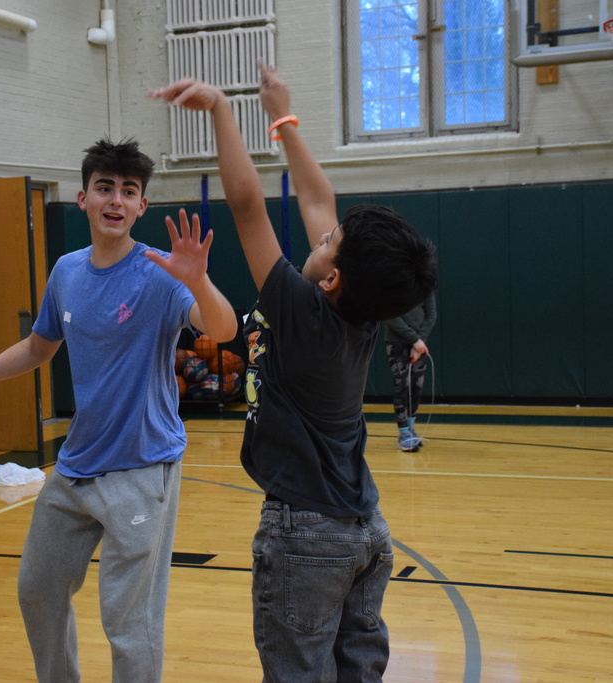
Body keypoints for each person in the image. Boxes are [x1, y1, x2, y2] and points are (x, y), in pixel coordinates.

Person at [0, 137, 237, 683]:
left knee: (129, 619)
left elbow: (222, 330)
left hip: (141, 465)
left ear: (142, 206)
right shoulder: (67, 272)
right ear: (83, 198)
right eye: (105, 188)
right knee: (38, 589)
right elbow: (37, 348)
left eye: (129, 191)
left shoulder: (159, 273)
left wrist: (196, 277)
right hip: (76, 467)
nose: (116, 200)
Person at [149, 64, 438, 682]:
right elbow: (316, 200)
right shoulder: (357, 315)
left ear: (331, 278)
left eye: (329, 241)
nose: (322, 233)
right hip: (364, 528)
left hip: (306, 532)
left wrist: (224, 110)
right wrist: (282, 121)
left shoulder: (304, 313)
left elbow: (249, 206)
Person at [384, 293, 437, 452]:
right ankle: (403, 432)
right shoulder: (392, 285)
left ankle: (411, 428)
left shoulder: (424, 285)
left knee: (416, 386)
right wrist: (414, 339)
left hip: (419, 346)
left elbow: (431, 315)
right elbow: (390, 315)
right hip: (397, 343)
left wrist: (419, 342)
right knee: (402, 385)